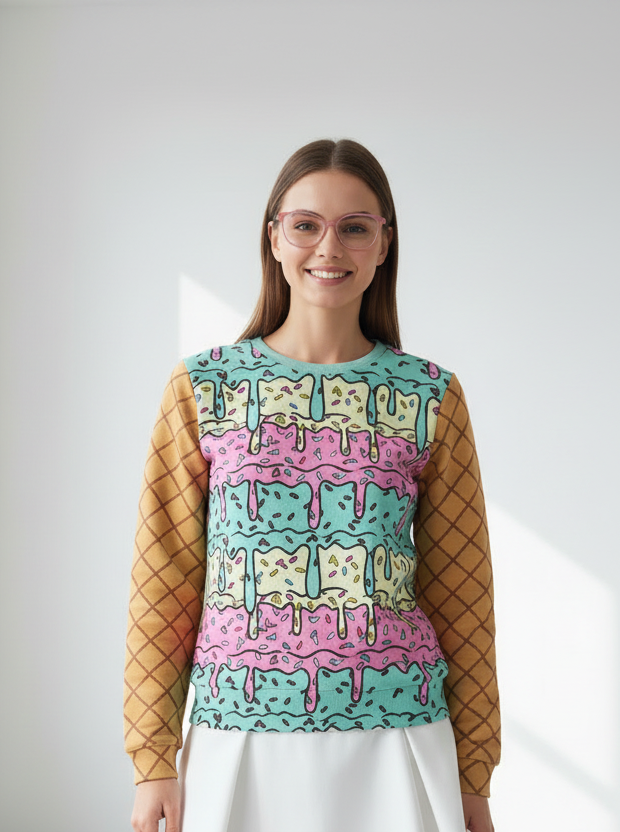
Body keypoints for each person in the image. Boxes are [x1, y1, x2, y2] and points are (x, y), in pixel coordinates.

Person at [124, 138, 500, 832]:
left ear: (383, 244)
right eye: (306, 224)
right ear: (274, 237)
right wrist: (154, 758)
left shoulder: (430, 396)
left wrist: (473, 774)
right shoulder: (204, 388)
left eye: (355, 227)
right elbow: (165, 579)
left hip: (397, 732)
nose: (330, 247)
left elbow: (463, 596)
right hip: (240, 731)